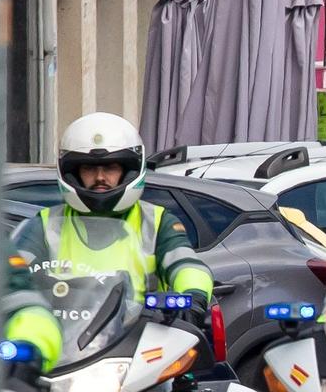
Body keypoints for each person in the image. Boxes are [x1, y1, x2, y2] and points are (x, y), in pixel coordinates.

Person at [11, 114, 215, 333]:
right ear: (73, 173)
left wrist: (194, 295)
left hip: (139, 341)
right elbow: (14, 274)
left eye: (110, 168)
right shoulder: (45, 225)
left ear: (128, 171)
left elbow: (186, 264)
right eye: (89, 168)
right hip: (65, 343)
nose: (100, 177)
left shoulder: (156, 222)